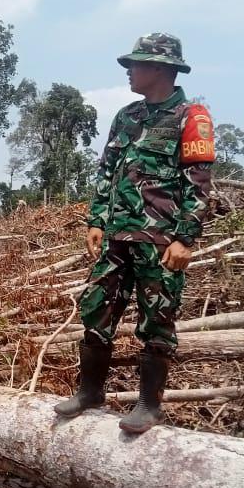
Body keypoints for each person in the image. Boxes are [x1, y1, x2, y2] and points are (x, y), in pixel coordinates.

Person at [54, 33, 215, 433]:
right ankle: (90, 392)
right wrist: (96, 219)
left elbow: (199, 184)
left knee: (157, 320)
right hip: (116, 236)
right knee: (96, 308)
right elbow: (106, 172)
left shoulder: (191, 118)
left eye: (136, 65)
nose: (129, 72)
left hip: (160, 242)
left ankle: (149, 405)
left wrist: (185, 238)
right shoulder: (127, 116)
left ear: (160, 69)